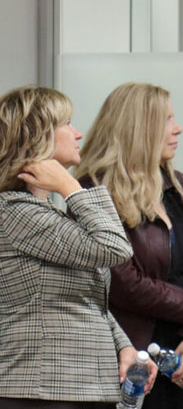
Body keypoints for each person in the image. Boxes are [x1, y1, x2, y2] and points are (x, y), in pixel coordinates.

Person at [0, 86, 157, 408]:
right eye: (67, 123)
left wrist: (124, 346)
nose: (78, 133)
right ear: (38, 135)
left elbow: (88, 297)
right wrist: (71, 186)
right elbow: (115, 248)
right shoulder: (14, 211)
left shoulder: (42, 212)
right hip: (44, 390)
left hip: (85, 385)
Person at [74, 83, 183, 409]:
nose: (178, 128)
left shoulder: (182, 187)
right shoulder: (92, 190)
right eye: (166, 119)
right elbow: (123, 283)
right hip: (129, 362)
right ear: (138, 128)